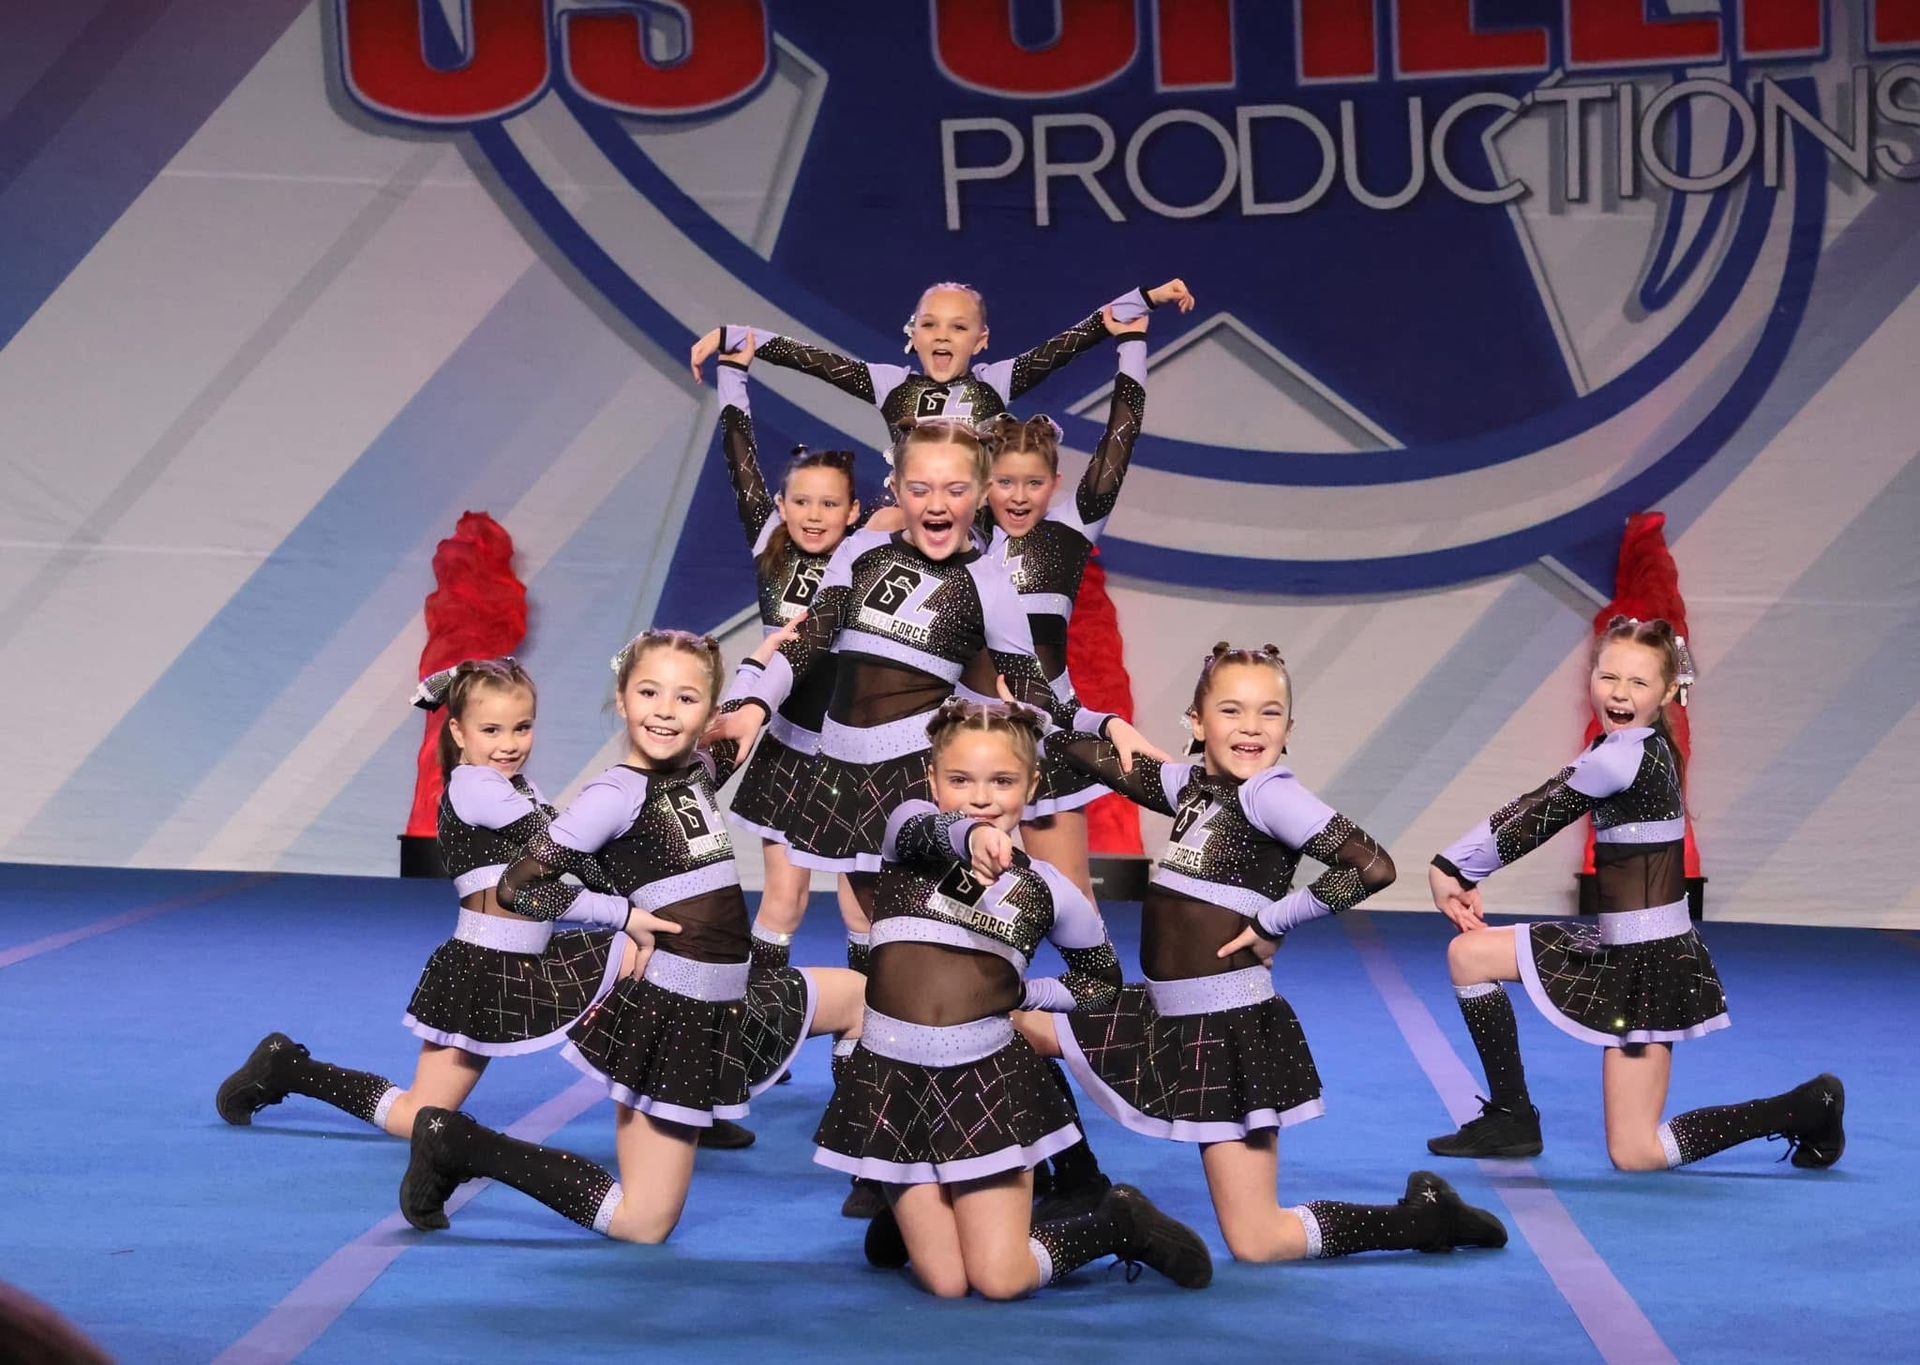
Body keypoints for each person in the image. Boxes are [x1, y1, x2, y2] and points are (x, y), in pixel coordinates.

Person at [1017, 646, 1509, 1263]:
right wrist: (1076, 722)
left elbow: (1372, 866)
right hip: (1160, 1014)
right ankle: (1070, 1181)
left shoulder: (1270, 795)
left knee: (1259, 1241)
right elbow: (1083, 753)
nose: (1250, 727)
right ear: (1196, 722)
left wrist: (1274, 920)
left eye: (1268, 713)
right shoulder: (1192, 788)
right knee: (1003, 1026)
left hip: (1226, 1029)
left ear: (1289, 730)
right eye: (1231, 710)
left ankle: (1425, 1219)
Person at [400, 631, 869, 1242]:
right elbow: (519, 888)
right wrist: (620, 915)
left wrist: (770, 655)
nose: (666, 711)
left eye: (686, 699)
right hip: (676, 1013)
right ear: (622, 700)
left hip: (736, 995)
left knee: (864, 1000)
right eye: (649, 693)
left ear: (707, 710)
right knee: (644, 1223)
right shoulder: (611, 796)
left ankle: (877, 1178)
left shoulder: (698, 770)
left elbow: (750, 714)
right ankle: (462, 1146)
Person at [816, 699, 1211, 1297]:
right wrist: (973, 836)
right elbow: (932, 828)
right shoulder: (907, 831)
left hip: (985, 1084)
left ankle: (1117, 1222)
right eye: (960, 780)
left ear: (1033, 784)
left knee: (1000, 1281)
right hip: (894, 1078)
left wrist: (1028, 992)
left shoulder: (1048, 889)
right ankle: (922, 1213)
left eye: (1002, 781)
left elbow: (1101, 981)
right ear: (932, 780)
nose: (980, 797)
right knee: (947, 1285)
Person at [1425, 616, 1845, 1172]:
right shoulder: (1638, 745)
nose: (1619, 693)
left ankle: (1805, 1107)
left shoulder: (1622, 755)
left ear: (1668, 692)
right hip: (1615, 944)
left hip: (1650, 965)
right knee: (1470, 956)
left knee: (1636, 1151)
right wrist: (1462, 870)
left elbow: (1539, 811)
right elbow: (1542, 804)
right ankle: (1511, 1117)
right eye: (1608, 677)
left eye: (1638, 683)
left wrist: (1452, 868)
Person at [213, 659, 662, 1140]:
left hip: (533, 958)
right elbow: (564, 855)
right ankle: (287, 1069)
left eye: (522, 727)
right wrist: (626, 909)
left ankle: (675, 1106)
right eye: (491, 730)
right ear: (458, 732)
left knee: (655, 959)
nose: (510, 743)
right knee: (418, 1117)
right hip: (485, 969)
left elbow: (580, 855)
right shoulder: (477, 787)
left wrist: (635, 900)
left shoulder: (521, 787)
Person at [689, 278, 1193, 440]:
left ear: (981, 340)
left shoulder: (996, 382)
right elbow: (813, 359)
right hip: (910, 543)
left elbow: (1071, 341)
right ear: (913, 334)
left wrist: (1146, 299)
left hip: (981, 548)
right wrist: (736, 335)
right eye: (930, 324)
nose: (942, 336)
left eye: (958, 327)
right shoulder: (891, 385)